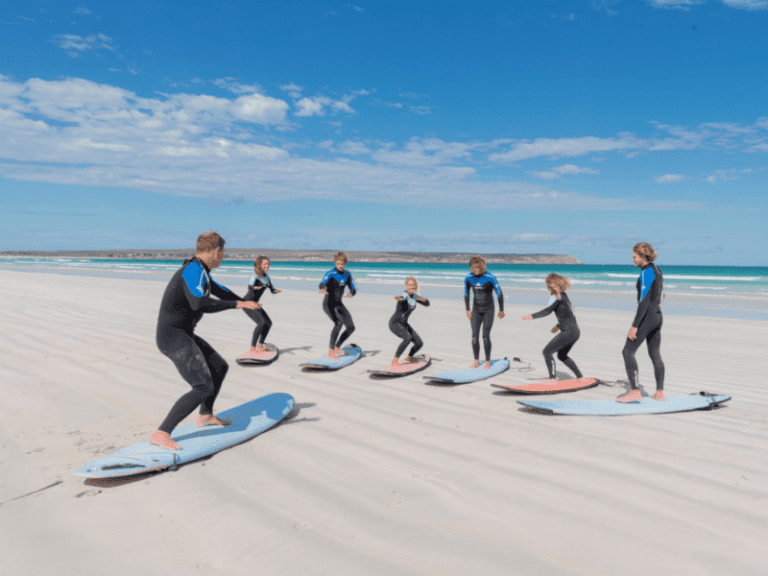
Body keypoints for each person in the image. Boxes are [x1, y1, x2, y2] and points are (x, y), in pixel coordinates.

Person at [150, 232, 260, 450]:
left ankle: (206, 415)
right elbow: (199, 304)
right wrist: (236, 305)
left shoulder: (200, 271)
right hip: (172, 336)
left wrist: (244, 302)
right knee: (202, 386)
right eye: (223, 253)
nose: (223, 257)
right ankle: (162, 432)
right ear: (216, 250)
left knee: (219, 367)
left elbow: (221, 291)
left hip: (182, 333)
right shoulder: (193, 270)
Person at [522, 273, 590, 385]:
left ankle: (552, 379)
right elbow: (569, 315)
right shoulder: (564, 295)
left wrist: (531, 316)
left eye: (549, 284)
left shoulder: (556, 297)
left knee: (547, 352)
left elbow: (547, 311)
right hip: (575, 331)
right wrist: (558, 326)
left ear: (553, 285)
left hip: (568, 331)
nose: (548, 286)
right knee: (562, 355)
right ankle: (580, 378)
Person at [618, 242, 665, 403]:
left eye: (635, 256)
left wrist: (635, 325)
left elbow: (643, 302)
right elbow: (660, 296)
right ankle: (659, 392)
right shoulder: (658, 270)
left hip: (648, 317)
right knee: (655, 355)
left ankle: (635, 391)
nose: (633, 259)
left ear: (643, 256)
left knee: (627, 352)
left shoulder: (647, 272)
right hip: (658, 316)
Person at [464, 256, 505, 369]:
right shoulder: (468, 278)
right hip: (476, 310)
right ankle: (476, 360)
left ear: (482, 266)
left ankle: (487, 361)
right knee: (474, 337)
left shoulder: (490, 277)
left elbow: (499, 293)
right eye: (473, 267)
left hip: (488, 310)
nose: (475, 269)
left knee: (485, 336)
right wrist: (467, 309)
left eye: (477, 267)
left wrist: (501, 310)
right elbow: (466, 294)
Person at [318, 252, 357, 360]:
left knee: (351, 327)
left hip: (339, 304)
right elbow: (322, 283)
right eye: (338, 263)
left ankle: (336, 347)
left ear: (345, 263)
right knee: (338, 323)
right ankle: (330, 351)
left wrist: (351, 293)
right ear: (335, 262)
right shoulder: (330, 273)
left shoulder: (347, 274)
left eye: (342, 264)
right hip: (328, 304)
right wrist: (321, 288)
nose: (340, 266)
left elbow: (353, 288)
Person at [241, 255, 281, 356]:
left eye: (268, 264)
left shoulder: (266, 276)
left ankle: (260, 345)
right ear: (259, 265)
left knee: (268, 322)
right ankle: (252, 348)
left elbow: (271, 288)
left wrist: (275, 291)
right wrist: (255, 288)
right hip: (247, 302)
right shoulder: (255, 276)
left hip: (255, 303)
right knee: (261, 323)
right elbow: (250, 288)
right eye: (265, 264)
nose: (267, 265)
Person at [389, 276, 430, 367]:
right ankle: (395, 361)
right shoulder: (404, 295)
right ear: (406, 286)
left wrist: (423, 299)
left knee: (419, 343)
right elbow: (403, 299)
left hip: (404, 324)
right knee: (407, 338)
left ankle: (409, 357)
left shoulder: (415, 297)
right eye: (409, 285)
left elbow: (427, 304)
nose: (411, 286)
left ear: (415, 286)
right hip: (395, 323)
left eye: (413, 285)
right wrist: (400, 299)